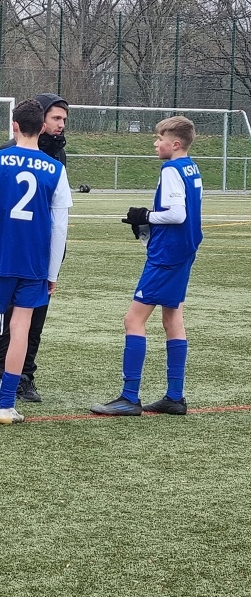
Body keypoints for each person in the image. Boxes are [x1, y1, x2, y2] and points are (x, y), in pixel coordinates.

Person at [0, 99, 72, 425]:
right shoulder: (56, 169)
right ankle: (7, 406)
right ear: (42, 127)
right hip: (35, 261)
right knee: (21, 326)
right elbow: (60, 227)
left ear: (15, 126)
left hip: (1, 255)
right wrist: (52, 272)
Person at [91, 116, 203, 417]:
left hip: (167, 254)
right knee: (173, 318)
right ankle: (174, 397)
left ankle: (129, 397)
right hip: (184, 250)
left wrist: (146, 216)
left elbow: (177, 214)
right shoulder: (191, 167)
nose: (155, 144)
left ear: (175, 144)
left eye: (159, 139)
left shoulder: (172, 169)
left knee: (133, 320)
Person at [0, 92, 69, 404]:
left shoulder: (58, 155)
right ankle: (1, 376)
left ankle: (25, 376)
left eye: (64, 119)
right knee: (5, 316)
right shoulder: (7, 152)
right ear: (40, 119)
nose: (61, 124)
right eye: (56, 118)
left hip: (42, 249)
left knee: (35, 317)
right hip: (12, 249)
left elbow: (58, 212)